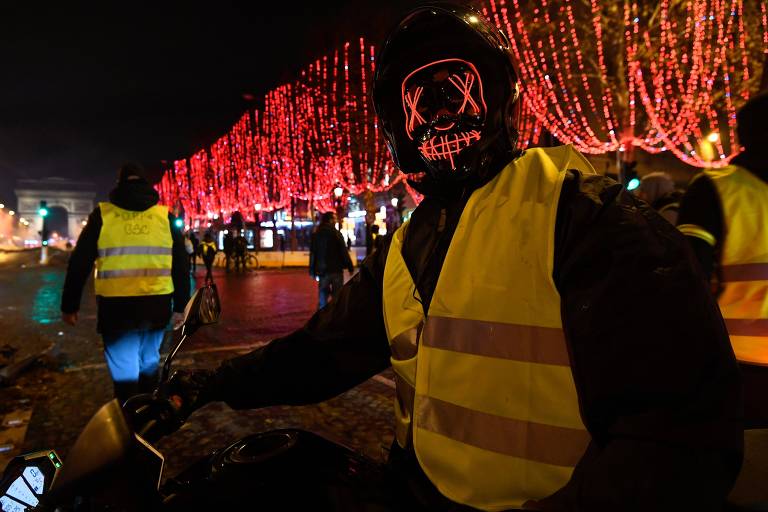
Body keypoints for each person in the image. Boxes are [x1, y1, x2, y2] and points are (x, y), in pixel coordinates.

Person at [169, 6, 742, 510]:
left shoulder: (589, 221)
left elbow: (677, 433)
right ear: (398, 123)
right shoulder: (405, 246)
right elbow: (322, 352)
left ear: (496, 101)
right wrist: (210, 384)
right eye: (422, 101)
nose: (442, 120)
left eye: (457, 93)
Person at [60, 163, 190, 402]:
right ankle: (148, 413)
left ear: (118, 182)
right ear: (145, 183)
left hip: (116, 309)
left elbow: (80, 263)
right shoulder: (165, 217)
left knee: (124, 370)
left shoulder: (103, 215)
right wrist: (181, 306)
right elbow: (182, 265)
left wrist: (70, 305)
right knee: (150, 360)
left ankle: (129, 420)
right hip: (157, 305)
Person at [678, 91, 768, 428]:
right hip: (737, 371)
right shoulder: (719, 189)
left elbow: (688, 280)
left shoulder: (714, 189)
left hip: (736, 367)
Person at [308, 212, 354, 309]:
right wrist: (350, 266)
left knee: (322, 298)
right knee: (337, 299)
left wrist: (312, 271)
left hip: (323, 271)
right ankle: (335, 318)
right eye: (334, 219)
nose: (335, 221)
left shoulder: (317, 234)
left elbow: (313, 254)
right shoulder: (336, 234)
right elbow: (343, 251)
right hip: (336, 270)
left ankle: (321, 318)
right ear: (330, 220)